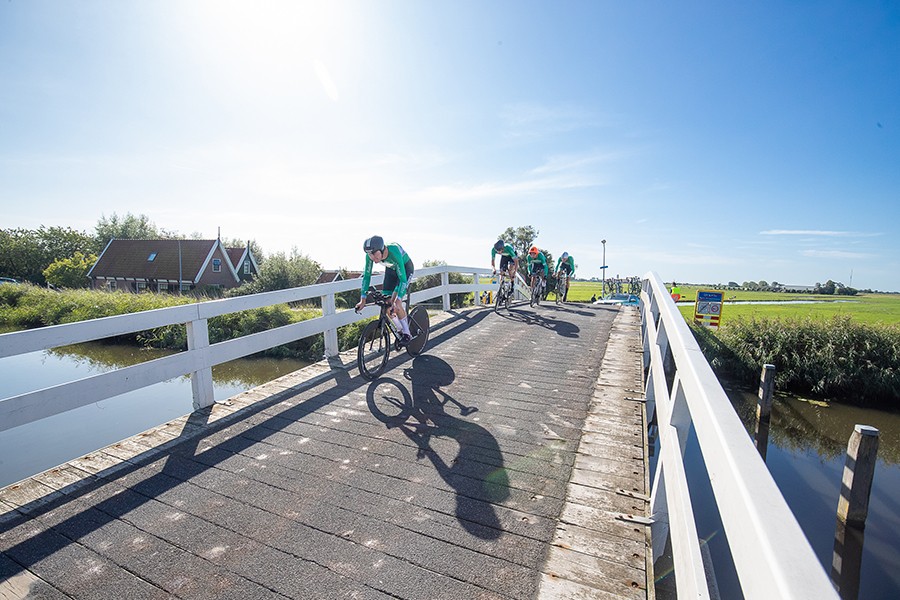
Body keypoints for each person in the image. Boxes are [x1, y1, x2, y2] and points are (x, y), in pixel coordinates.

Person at [355, 236, 415, 345]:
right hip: (391, 270)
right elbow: (366, 277)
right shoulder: (370, 256)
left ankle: (407, 333)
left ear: (382, 249)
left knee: (396, 303)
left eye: (374, 254)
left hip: (405, 269)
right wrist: (362, 299)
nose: (372, 257)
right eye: (370, 254)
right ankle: (399, 328)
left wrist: (398, 299)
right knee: (386, 302)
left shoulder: (394, 251)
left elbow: (402, 280)